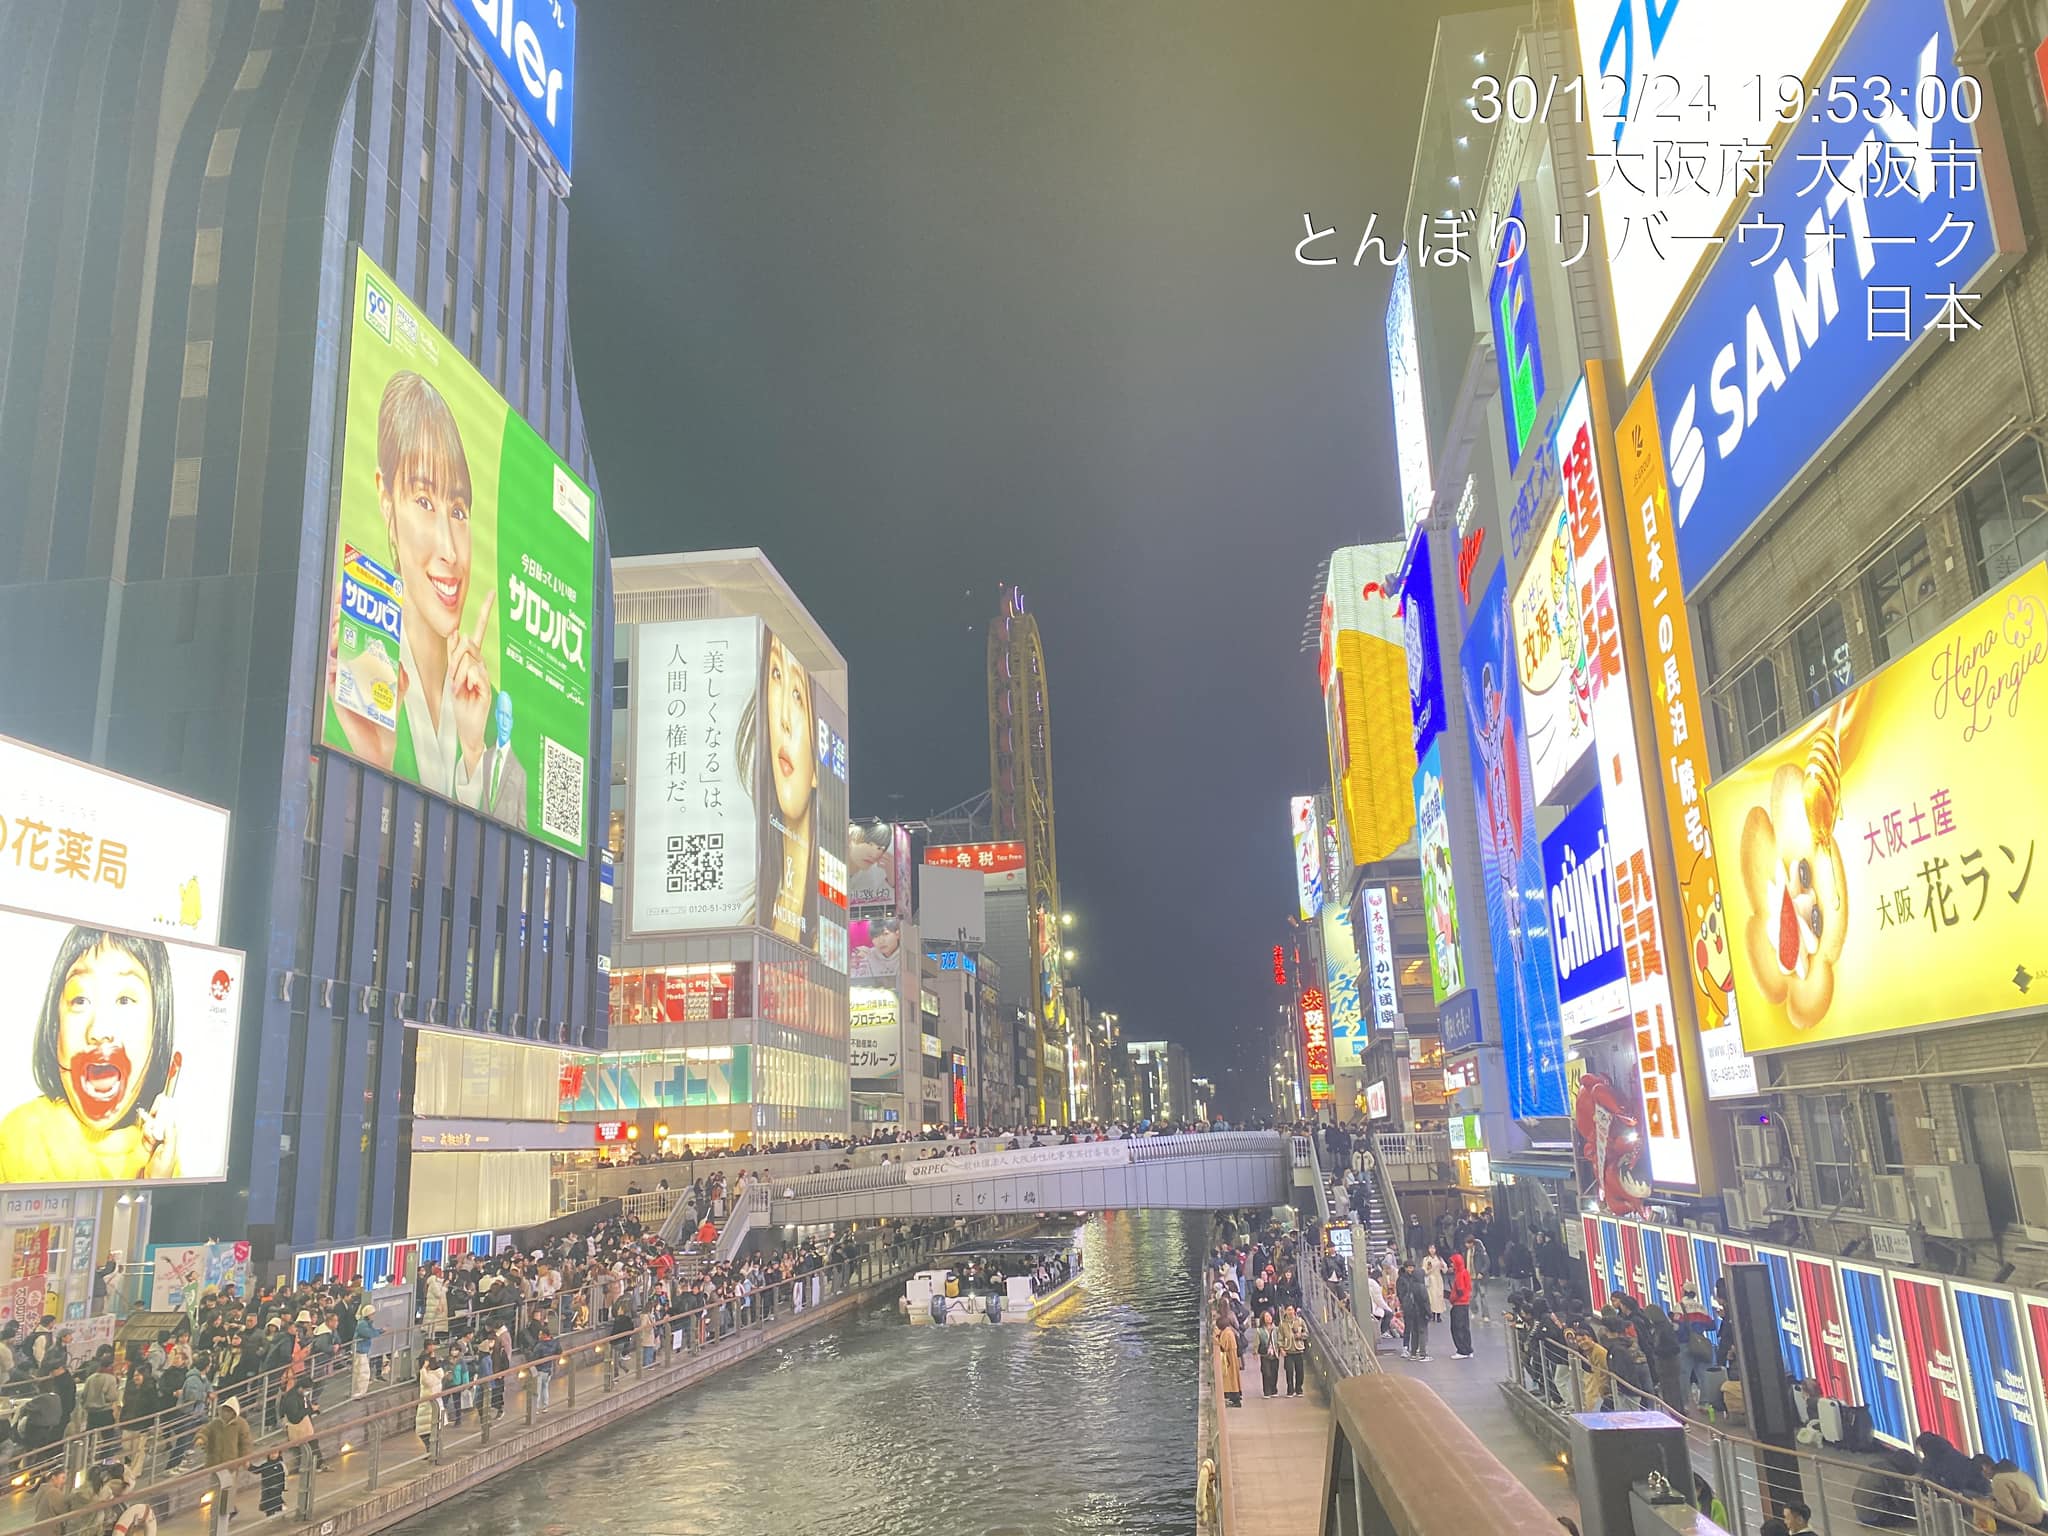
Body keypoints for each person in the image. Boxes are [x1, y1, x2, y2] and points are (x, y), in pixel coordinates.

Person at [325, 369, 526, 824]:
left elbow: (505, 857)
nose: (450, 550)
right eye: (423, 501)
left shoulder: (491, 710)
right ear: (385, 498)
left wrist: (474, 752)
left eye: (458, 510)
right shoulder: (348, 675)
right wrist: (375, 763)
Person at [0, 928, 185, 1183]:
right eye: (80, 1000)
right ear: (55, 1026)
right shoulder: (20, 1137)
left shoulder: (160, 1156)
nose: (99, 1030)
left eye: (124, 1000)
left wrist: (154, 1184)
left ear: (157, 1029)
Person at [761, 634, 818, 945]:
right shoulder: (752, 912)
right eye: (776, 674)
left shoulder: (823, 936)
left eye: (797, 695)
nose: (783, 718)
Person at [201, 1397, 252, 1521]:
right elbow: (205, 1431)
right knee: (216, 1490)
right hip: (215, 1463)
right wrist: (200, 1438)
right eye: (224, 1410)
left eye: (228, 1411)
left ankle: (228, 1512)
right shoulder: (216, 1423)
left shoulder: (241, 1424)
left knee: (227, 1490)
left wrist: (245, 1459)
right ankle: (219, 1513)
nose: (225, 1414)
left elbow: (245, 1443)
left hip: (231, 1464)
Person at [1989, 1458, 2048, 1530]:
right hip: (2038, 1519)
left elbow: (2009, 1510)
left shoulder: (1998, 1479)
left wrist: (1991, 1506)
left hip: (2023, 1523)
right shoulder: (2022, 1475)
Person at [1396, 1260, 1430, 1362]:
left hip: (1410, 1308)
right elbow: (1424, 1301)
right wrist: (1429, 1313)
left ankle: (1413, 1352)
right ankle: (1421, 1352)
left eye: (1412, 1267)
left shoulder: (1411, 1282)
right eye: (1409, 1267)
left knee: (1413, 1330)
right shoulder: (1407, 1281)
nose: (1411, 1269)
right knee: (1418, 1330)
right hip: (1415, 1310)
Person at [416, 1351, 446, 1454]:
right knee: (426, 1430)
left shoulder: (433, 1374)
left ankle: (432, 1451)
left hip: (430, 1406)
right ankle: (431, 1451)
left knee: (427, 1430)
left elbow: (426, 1382)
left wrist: (423, 1369)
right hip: (428, 1405)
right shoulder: (436, 1373)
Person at [1447, 1250, 1474, 1359]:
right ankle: (1468, 1349)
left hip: (1458, 1304)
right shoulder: (1465, 1272)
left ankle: (1461, 1350)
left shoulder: (1459, 1274)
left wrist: (1452, 1298)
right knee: (1465, 1327)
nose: (1451, 1265)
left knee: (1456, 1328)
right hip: (1465, 1303)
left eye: (1453, 1263)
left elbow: (1460, 1289)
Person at [1215, 1311, 1244, 1408]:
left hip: (1229, 1358)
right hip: (1232, 1357)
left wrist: (1216, 1339)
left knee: (1231, 1379)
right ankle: (1235, 1397)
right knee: (1233, 1378)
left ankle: (1235, 1399)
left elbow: (1223, 1346)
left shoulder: (1227, 1333)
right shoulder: (1229, 1331)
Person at [1280, 1304, 1309, 1397]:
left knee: (1300, 1371)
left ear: (1294, 1311)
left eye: (1291, 1309)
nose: (1290, 1312)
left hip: (1298, 1350)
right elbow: (1280, 1337)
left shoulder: (1300, 1321)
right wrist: (1281, 1348)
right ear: (1285, 1311)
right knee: (1289, 1371)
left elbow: (1306, 1333)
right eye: (1288, 1310)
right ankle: (1290, 1390)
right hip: (1288, 1350)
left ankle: (1299, 1389)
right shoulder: (1282, 1324)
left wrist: (1301, 1335)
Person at [1252, 1311, 1281, 1398]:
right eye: (1266, 1317)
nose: (1269, 1318)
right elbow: (1256, 1342)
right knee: (1266, 1373)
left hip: (1275, 1354)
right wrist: (1255, 1352)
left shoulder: (1276, 1329)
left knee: (1274, 1372)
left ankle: (1274, 1390)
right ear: (1263, 1319)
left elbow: (1280, 1339)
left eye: (1269, 1316)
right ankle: (1266, 1391)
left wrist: (1281, 1349)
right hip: (1265, 1354)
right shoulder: (1260, 1331)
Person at [1422, 1245, 1447, 1321]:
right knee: (1432, 1298)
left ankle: (1439, 1315)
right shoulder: (1426, 1259)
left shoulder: (1439, 1258)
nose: (1432, 1250)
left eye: (1433, 1248)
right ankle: (1432, 1315)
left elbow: (1445, 1270)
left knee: (1439, 1297)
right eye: (1430, 1248)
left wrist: (1443, 1266)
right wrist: (1429, 1269)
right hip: (1431, 1280)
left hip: (1438, 1279)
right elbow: (1424, 1270)